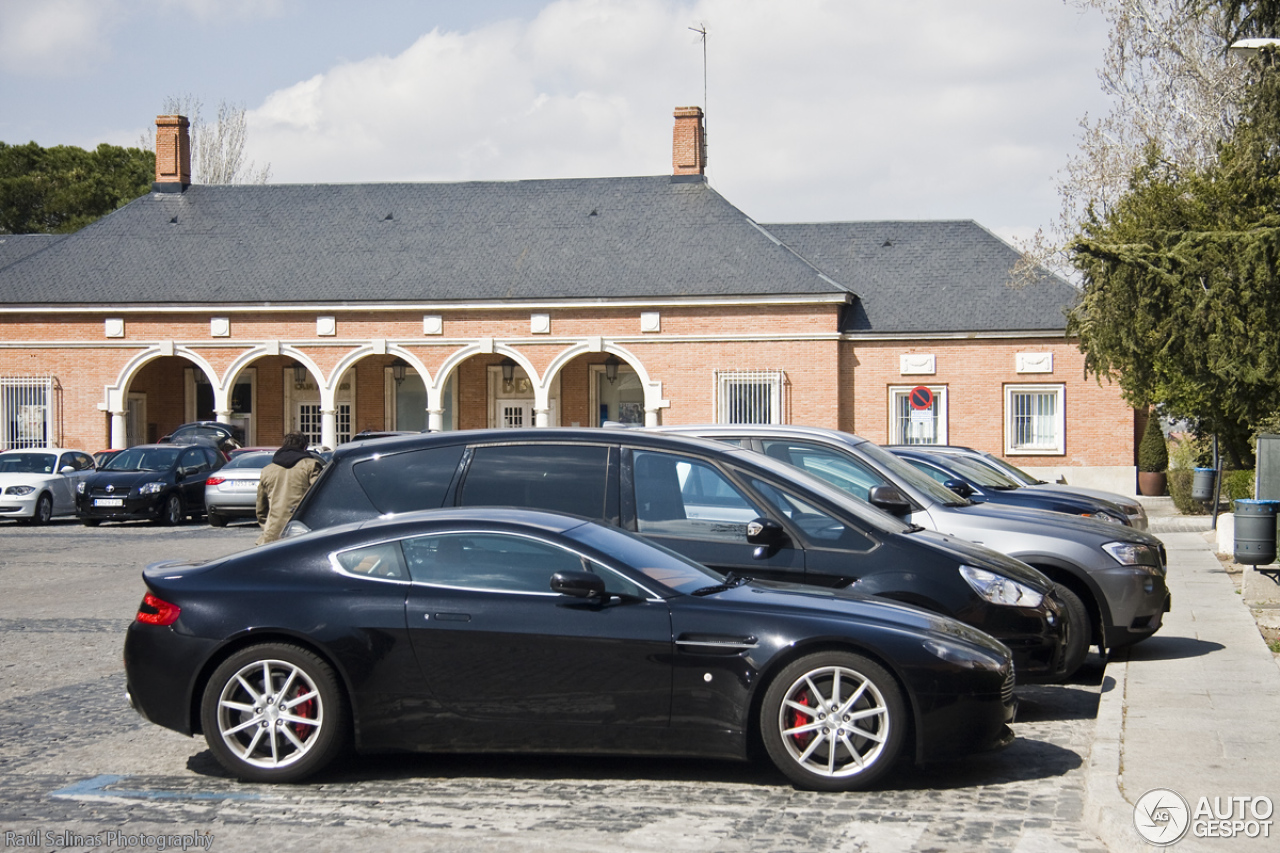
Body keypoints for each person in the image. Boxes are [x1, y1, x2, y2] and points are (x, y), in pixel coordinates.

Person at [256, 433, 324, 545]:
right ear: (304, 447)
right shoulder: (311, 466)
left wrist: (267, 526)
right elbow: (319, 496)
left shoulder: (268, 470)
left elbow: (261, 506)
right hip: (301, 528)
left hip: (273, 531)